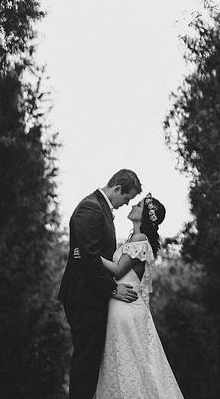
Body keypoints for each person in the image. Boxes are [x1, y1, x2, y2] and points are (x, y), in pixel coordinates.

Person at [58, 169, 143, 399]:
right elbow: (86, 255)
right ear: (117, 189)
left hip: (91, 296)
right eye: (126, 198)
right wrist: (113, 289)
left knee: (91, 358)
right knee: (86, 359)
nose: (126, 204)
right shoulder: (90, 208)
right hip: (83, 297)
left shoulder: (99, 208)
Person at [94, 193, 184, 398]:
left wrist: (90, 254)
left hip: (125, 307)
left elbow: (117, 270)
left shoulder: (139, 239)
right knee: (130, 362)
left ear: (144, 215)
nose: (133, 205)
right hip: (123, 303)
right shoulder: (134, 239)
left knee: (126, 360)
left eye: (139, 204)